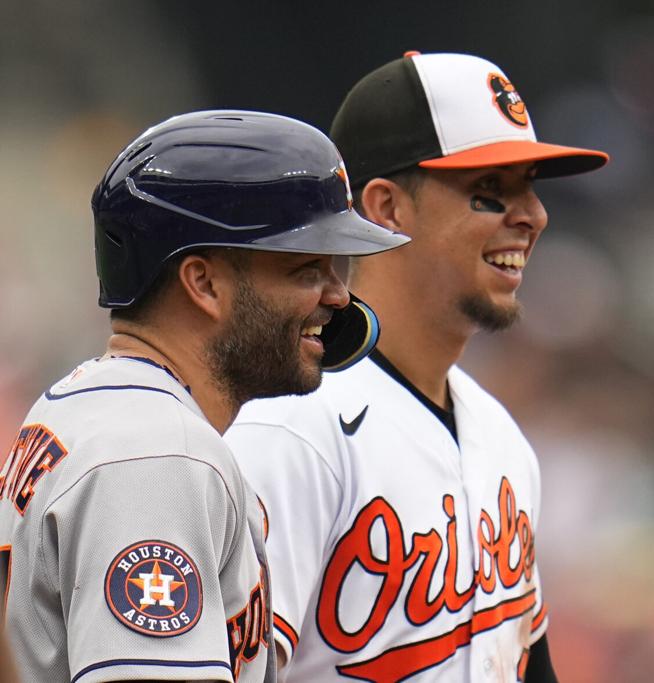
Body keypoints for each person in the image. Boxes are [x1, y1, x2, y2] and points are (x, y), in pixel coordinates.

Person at [224, 52, 608, 682]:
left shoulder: (499, 433)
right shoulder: (292, 432)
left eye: (531, 186)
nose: (534, 216)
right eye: (491, 192)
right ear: (386, 208)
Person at [0, 110, 408, 682]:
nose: (340, 296)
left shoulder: (84, 405)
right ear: (204, 283)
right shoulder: (158, 456)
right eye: (307, 268)